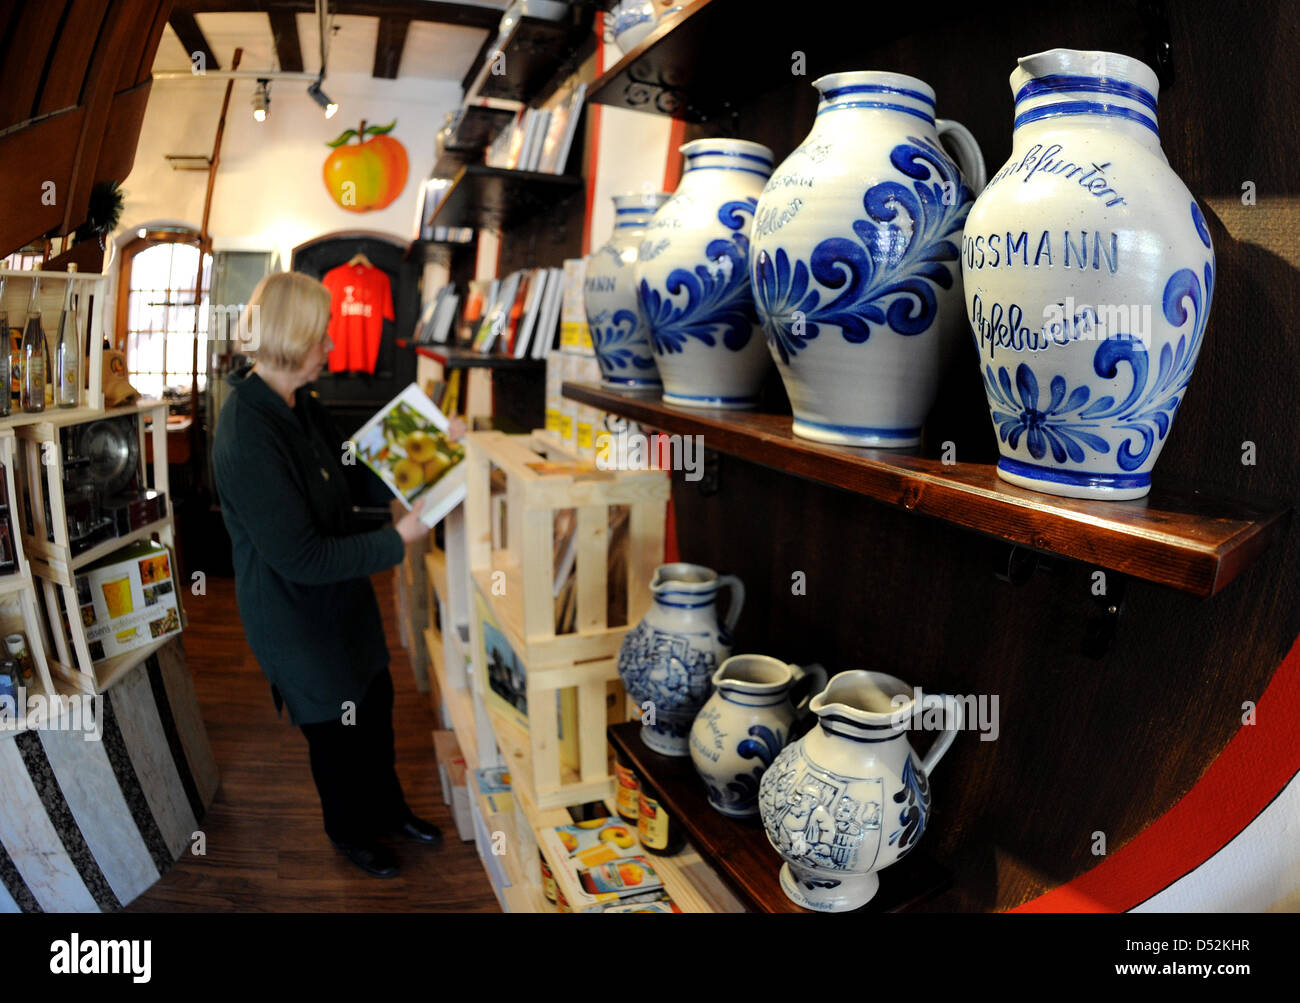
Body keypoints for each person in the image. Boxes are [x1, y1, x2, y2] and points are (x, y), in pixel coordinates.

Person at [213, 270, 459, 878]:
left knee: (375, 708)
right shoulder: (247, 432)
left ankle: (389, 808)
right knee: (336, 736)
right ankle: (350, 830)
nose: (331, 346)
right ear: (295, 340)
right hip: (297, 620)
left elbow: (354, 470)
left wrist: (434, 444)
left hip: (342, 602)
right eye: (324, 336)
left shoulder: (302, 404)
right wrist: (396, 541)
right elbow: (299, 557)